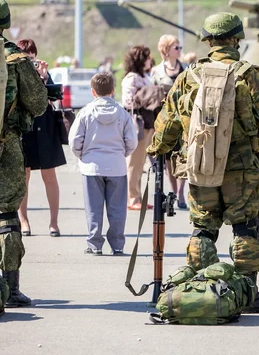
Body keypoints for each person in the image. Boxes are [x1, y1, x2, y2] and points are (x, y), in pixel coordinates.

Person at [147, 12, 259, 313]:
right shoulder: (248, 73)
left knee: (202, 228)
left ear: (208, 40)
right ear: (237, 38)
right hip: (240, 167)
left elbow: (167, 123)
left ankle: (201, 287)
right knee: (245, 228)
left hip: (200, 166)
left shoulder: (188, 75)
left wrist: (156, 150)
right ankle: (248, 293)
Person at [0, 0, 48, 307]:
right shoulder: (15, 57)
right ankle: (11, 287)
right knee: (6, 214)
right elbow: (38, 103)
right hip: (7, 146)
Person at [69, 72, 138, 255]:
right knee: (117, 210)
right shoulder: (122, 113)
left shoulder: (85, 112)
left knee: (93, 208)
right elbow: (132, 141)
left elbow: (75, 141)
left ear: (93, 91)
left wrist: (82, 156)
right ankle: (117, 245)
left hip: (92, 166)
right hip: (116, 165)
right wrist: (121, 153)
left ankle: (95, 244)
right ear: (113, 91)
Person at [16, 39, 66, 237]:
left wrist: (44, 78)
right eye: (26, 57)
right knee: (24, 176)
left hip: (44, 128)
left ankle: (53, 223)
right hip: (25, 127)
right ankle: (23, 220)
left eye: (32, 57)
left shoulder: (44, 73)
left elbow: (55, 97)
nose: (30, 61)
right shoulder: (16, 73)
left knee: (50, 176)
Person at [151, 35, 188, 209]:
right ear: (166, 50)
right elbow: (151, 96)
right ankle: (173, 191)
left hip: (185, 120)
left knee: (184, 156)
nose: (179, 50)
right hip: (166, 120)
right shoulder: (157, 71)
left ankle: (181, 193)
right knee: (168, 159)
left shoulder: (186, 69)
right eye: (176, 47)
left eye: (180, 47)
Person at [122, 45, 156, 210]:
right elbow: (128, 101)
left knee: (141, 162)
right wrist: (147, 95)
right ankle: (132, 198)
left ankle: (137, 197)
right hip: (138, 123)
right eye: (148, 57)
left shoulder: (144, 76)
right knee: (134, 163)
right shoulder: (132, 78)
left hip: (148, 123)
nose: (150, 60)